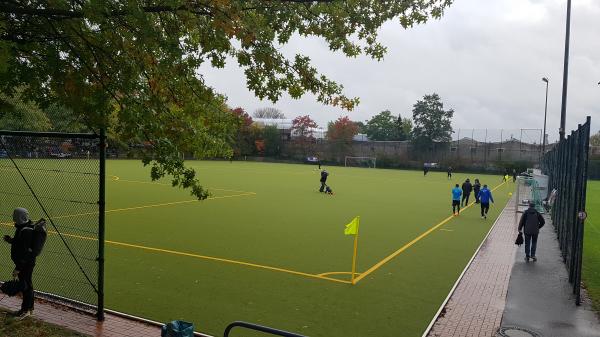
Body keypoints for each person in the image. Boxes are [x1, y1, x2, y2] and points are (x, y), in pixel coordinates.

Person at [3, 208, 36, 320]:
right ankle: (29, 309)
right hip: (25, 263)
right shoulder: (23, 228)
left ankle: (25, 311)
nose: (13, 217)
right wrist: (11, 240)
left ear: (19, 217)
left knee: (25, 287)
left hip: (25, 264)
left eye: (15, 215)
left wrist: (18, 268)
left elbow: (25, 252)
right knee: (28, 285)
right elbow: (21, 243)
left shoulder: (26, 231)